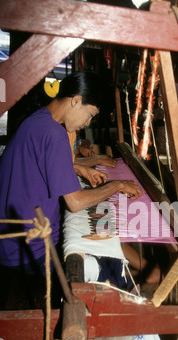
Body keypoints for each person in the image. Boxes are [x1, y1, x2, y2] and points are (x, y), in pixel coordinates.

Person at [0, 71, 142, 281]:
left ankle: (143, 275)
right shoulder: (53, 133)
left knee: (107, 245)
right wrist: (117, 185)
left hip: (11, 242)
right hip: (29, 248)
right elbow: (75, 203)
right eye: (90, 115)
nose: (87, 123)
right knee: (113, 275)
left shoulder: (39, 120)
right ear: (76, 101)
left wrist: (79, 168)